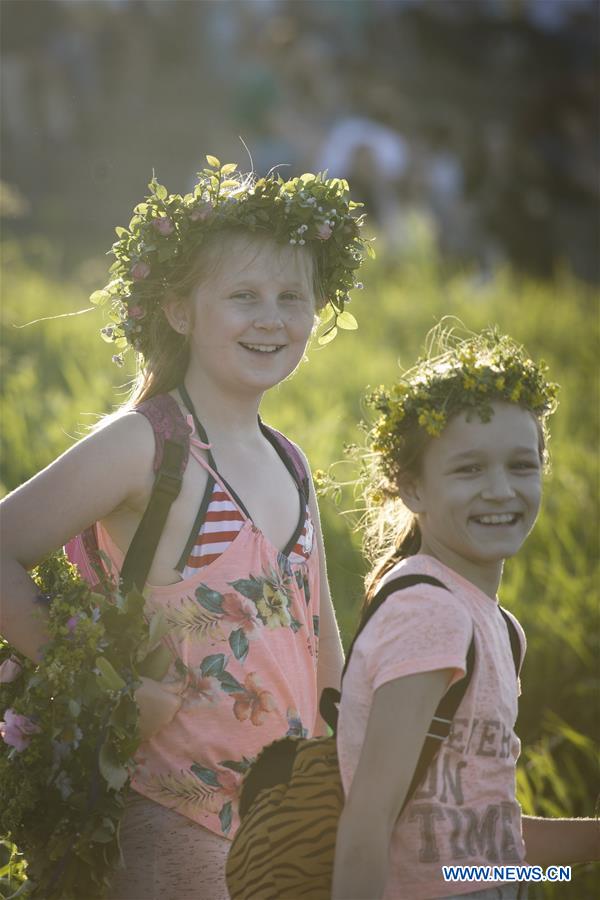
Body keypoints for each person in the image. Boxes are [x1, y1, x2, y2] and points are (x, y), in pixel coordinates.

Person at [0, 159, 369, 899]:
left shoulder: (291, 462)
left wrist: (358, 794)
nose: (271, 317)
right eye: (243, 296)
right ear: (178, 310)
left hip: (280, 831)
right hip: (168, 816)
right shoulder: (148, 444)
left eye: (291, 296)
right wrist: (106, 691)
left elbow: (322, 652)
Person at [332, 330, 599, 899]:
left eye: (521, 465)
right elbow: (367, 824)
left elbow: (480, 854)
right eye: (469, 470)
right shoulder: (432, 614)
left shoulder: (496, 626)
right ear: (412, 488)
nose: (501, 490)